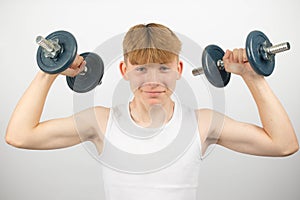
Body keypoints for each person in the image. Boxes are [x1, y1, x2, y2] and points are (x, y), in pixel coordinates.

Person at [5, 23, 299, 199]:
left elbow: (284, 144)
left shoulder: (202, 124)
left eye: (163, 68)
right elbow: (19, 136)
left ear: (179, 70)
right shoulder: (101, 121)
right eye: (141, 69)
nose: (154, 80)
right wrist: (50, 71)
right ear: (124, 70)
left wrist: (252, 76)